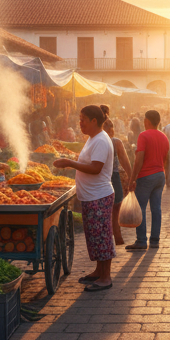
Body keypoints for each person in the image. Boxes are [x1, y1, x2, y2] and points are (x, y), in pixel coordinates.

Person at [53, 105, 115, 291]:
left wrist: (70, 163)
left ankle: (106, 278)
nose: (80, 123)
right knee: (94, 236)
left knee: (102, 237)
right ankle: (98, 271)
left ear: (94, 121)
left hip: (99, 196)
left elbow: (96, 168)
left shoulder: (101, 141)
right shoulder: (92, 139)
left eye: (83, 120)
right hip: (91, 196)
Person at [126, 110, 170, 250]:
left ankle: (141, 240)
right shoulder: (164, 137)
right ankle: (155, 240)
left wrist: (132, 178)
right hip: (159, 174)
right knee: (156, 208)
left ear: (147, 121)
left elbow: (139, 159)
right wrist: (165, 174)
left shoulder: (143, 135)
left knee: (141, 208)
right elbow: (166, 159)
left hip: (146, 176)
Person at [101, 107, 133, 246]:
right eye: (108, 128)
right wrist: (132, 177)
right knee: (114, 207)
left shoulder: (114, 142)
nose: (110, 130)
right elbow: (125, 161)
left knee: (112, 207)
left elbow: (125, 161)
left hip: (107, 177)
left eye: (110, 127)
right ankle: (115, 235)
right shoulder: (110, 142)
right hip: (108, 177)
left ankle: (115, 235)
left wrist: (132, 177)